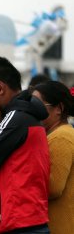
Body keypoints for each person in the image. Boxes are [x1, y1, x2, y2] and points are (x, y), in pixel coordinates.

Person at [0, 56, 50, 234]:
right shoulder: (25, 116)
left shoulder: (16, 118)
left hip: (17, 226)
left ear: (0, 88)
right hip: (22, 223)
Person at [32, 81, 74, 234]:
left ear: (59, 108)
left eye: (38, 105)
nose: (32, 110)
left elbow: (53, 188)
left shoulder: (61, 137)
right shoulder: (56, 135)